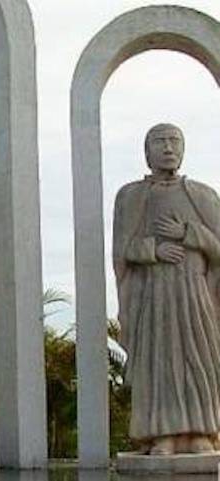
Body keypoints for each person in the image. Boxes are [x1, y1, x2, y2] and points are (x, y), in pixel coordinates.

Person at [113, 123, 220, 455]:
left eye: (175, 141)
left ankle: (201, 432)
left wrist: (189, 233)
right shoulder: (132, 196)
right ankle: (161, 435)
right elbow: (122, 250)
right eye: (159, 142)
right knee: (159, 364)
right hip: (155, 294)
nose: (168, 147)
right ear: (147, 152)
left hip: (195, 293)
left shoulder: (203, 195)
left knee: (198, 361)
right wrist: (154, 250)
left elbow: (218, 248)